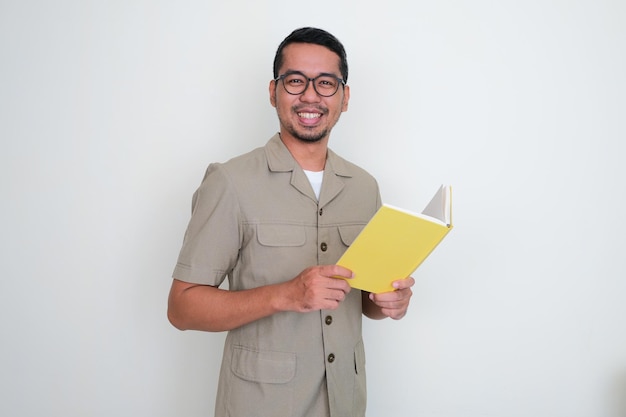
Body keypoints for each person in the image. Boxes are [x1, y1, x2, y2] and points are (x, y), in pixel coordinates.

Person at [168, 27, 415, 417]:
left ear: (345, 97)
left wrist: (388, 301)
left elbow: (365, 302)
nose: (311, 95)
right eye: (296, 81)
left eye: (327, 83)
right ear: (274, 92)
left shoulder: (365, 188)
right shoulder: (230, 182)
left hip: (344, 402)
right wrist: (286, 294)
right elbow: (182, 308)